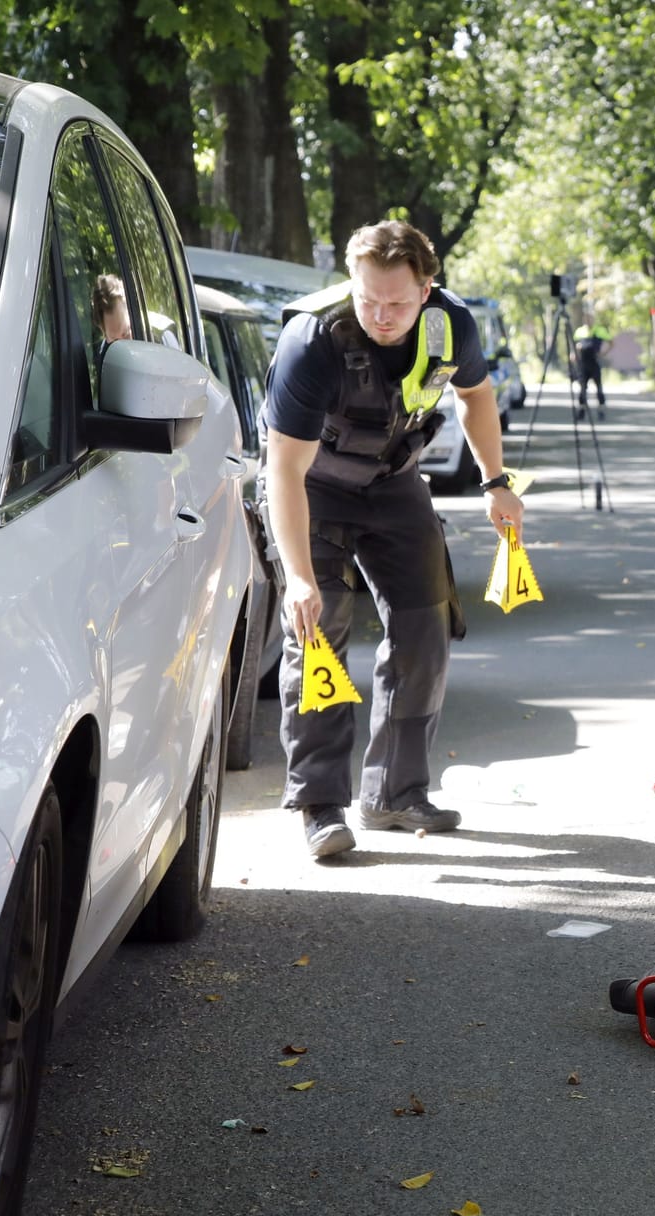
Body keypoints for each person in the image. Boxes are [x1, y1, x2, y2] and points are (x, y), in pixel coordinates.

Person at [263, 219, 526, 859]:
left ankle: (395, 793)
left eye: (398, 303)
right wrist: (298, 578)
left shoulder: (451, 325)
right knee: (318, 632)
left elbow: (476, 397)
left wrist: (496, 481)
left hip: (395, 482)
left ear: (428, 287)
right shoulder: (312, 341)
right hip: (315, 490)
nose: (382, 316)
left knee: (425, 629)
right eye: (368, 299)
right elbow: (283, 471)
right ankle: (320, 806)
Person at [572, 316, 609, 408]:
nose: (588, 321)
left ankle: (601, 409)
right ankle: (582, 409)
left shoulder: (600, 330)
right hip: (583, 363)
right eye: (586, 319)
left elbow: (611, 342)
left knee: (599, 388)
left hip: (594, 361)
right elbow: (574, 344)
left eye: (590, 319)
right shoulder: (579, 331)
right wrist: (574, 353)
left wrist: (603, 353)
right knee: (583, 388)